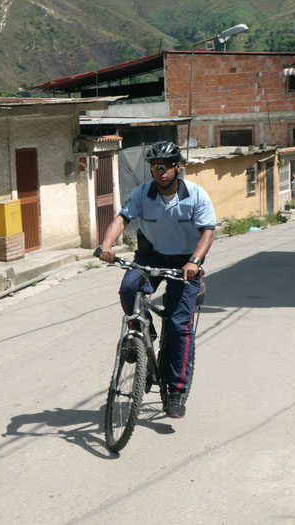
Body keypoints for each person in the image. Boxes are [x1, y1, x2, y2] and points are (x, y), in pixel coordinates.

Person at [97, 141, 215, 419]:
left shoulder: (196, 195)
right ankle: (142, 334)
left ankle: (175, 391)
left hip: (186, 262)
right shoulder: (143, 193)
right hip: (151, 257)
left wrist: (194, 262)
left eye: (165, 167)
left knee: (177, 324)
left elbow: (207, 232)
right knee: (129, 287)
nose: (159, 173)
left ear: (178, 168)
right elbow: (122, 219)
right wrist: (106, 246)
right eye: (155, 167)